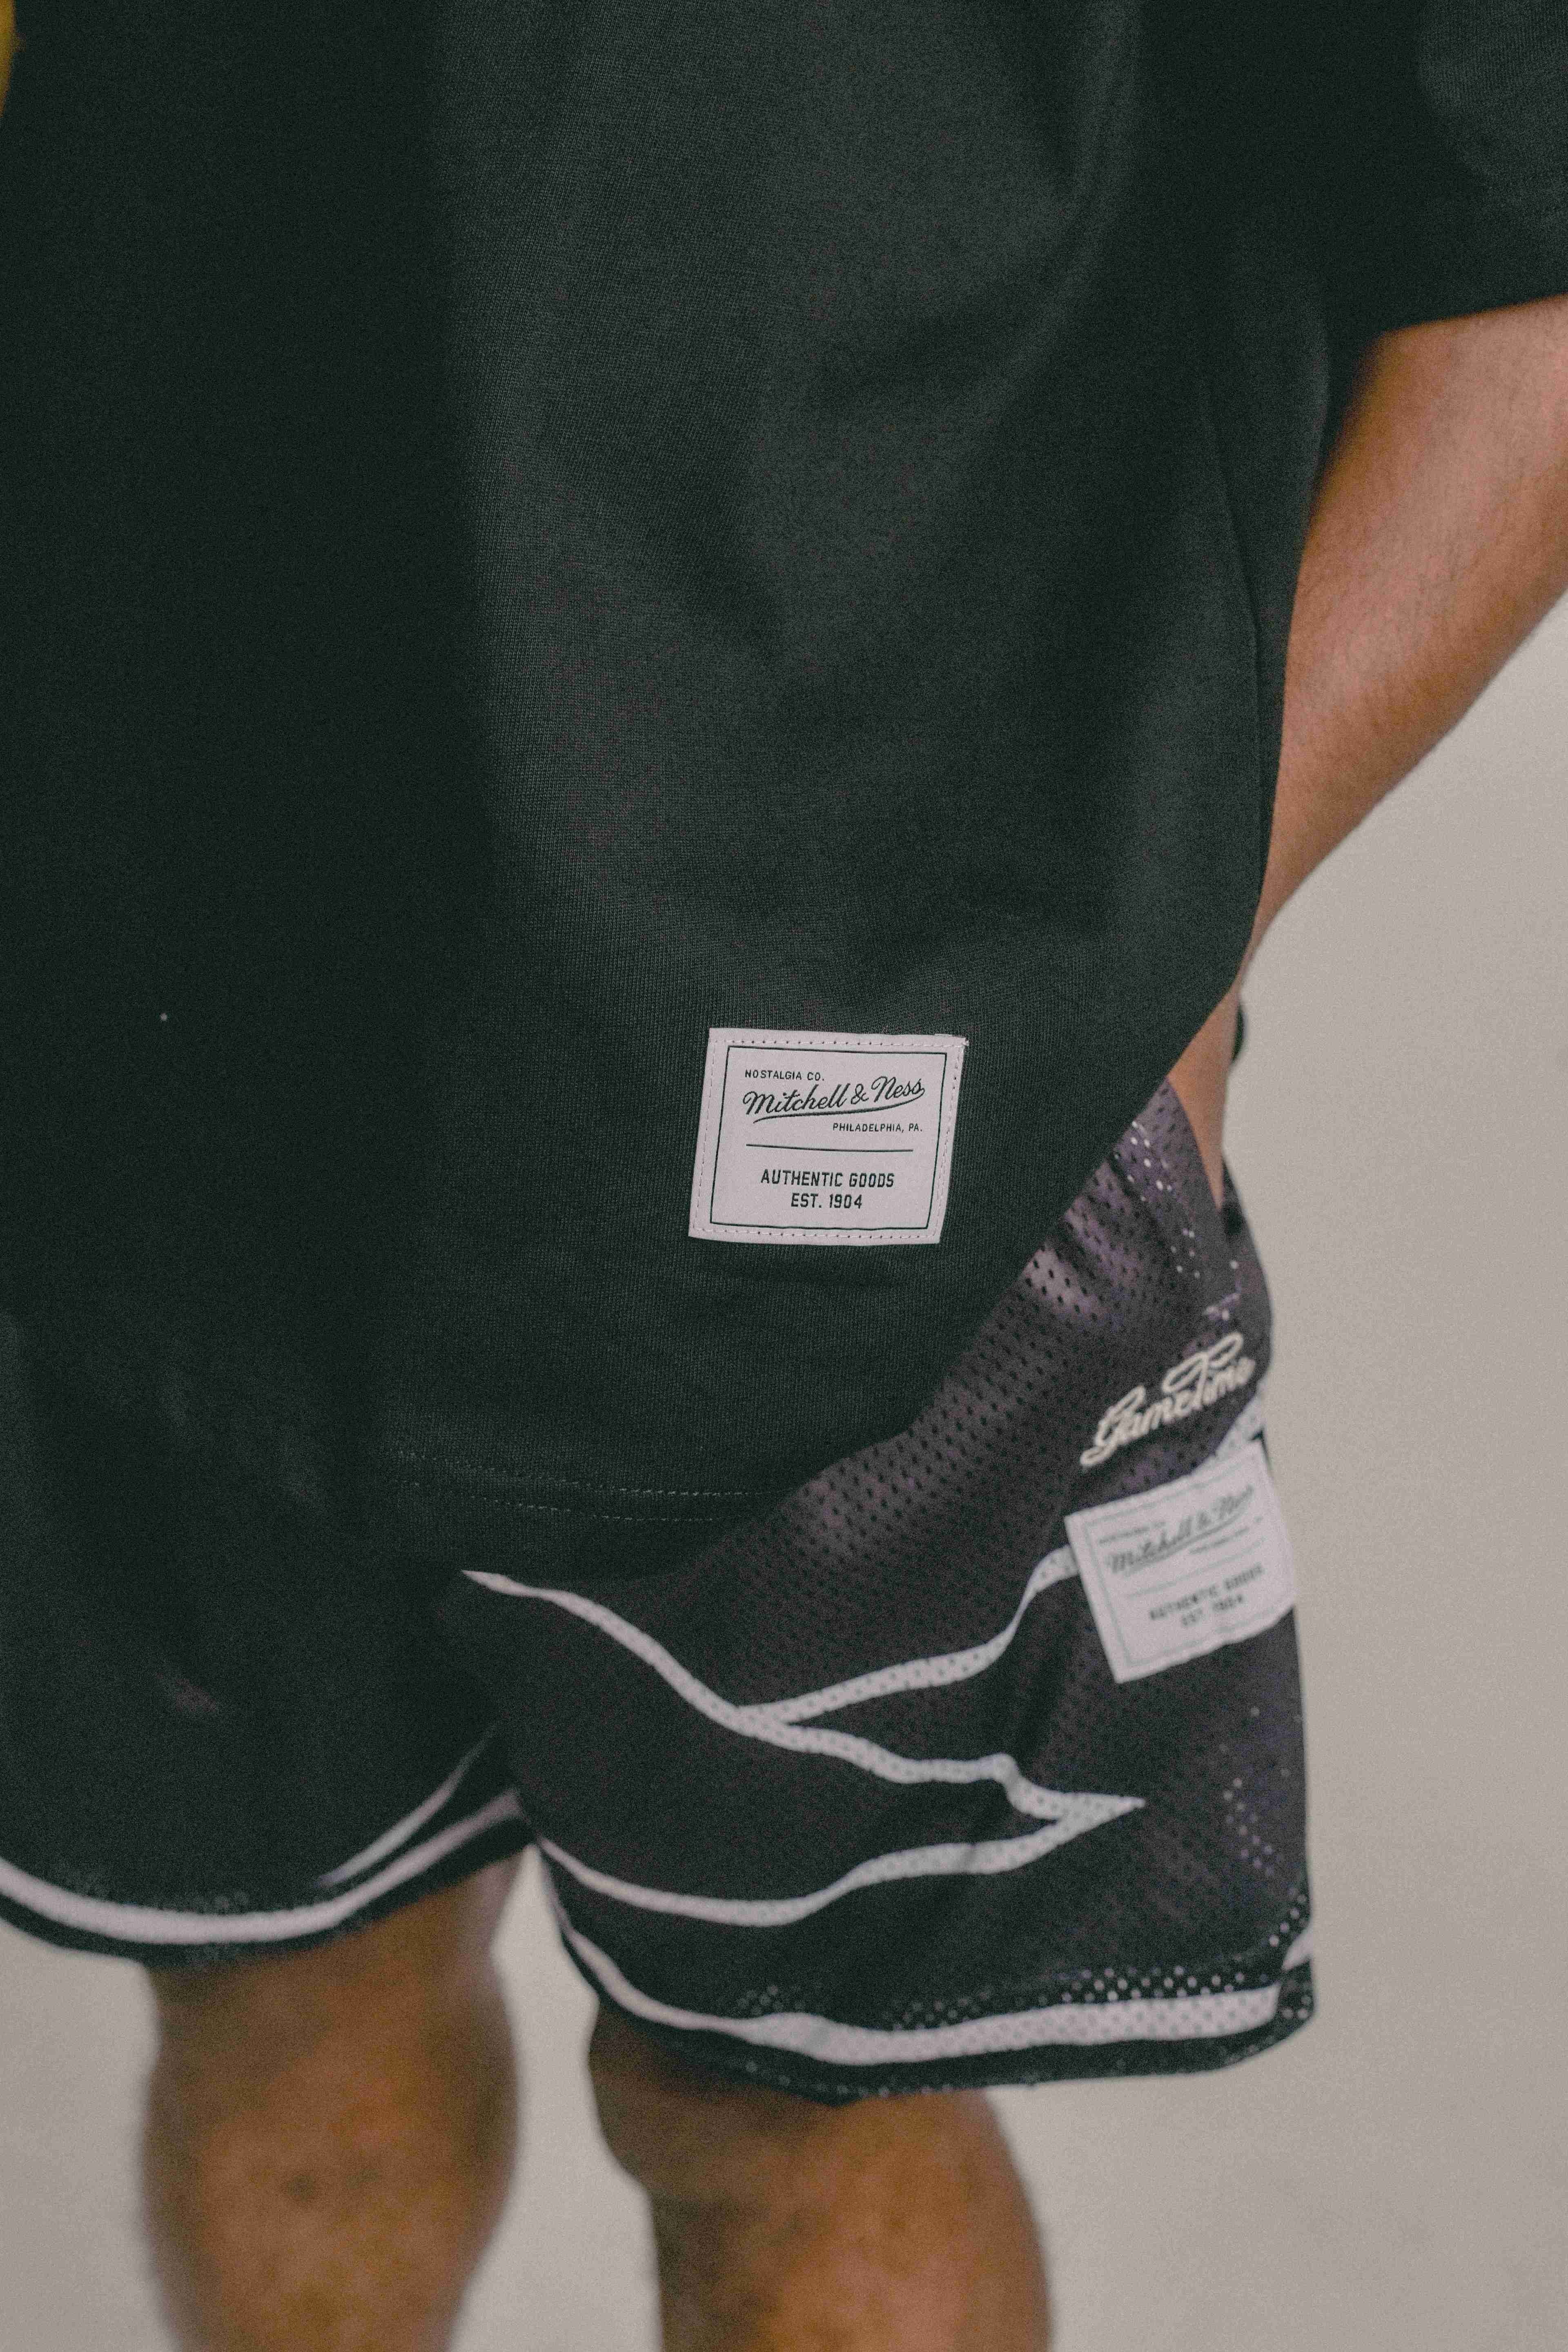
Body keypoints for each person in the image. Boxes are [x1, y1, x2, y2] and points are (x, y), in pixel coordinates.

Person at [1, 6, 1566, 2347]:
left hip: (864, 1132)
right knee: (280, 1986)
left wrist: (1132, 983)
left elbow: (1532, 289)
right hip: (160, 1011)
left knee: (783, 2109)